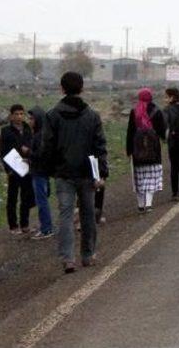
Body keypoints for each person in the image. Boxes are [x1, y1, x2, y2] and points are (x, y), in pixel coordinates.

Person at [41, 72, 108, 273]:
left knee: (66, 215)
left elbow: (47, 147)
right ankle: (88, 255)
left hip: (63, 174)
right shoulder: (92, 115)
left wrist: (49, 169)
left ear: (61, 89)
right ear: (82, 88)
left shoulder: (52, 115)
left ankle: (68, 259)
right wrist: (101, 173)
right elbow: (100, 146)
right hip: (87, 174)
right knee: (88, 214)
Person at [126, 88, 166, 214]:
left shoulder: (134, 111)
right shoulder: (156, 111)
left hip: (137, 151)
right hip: (153, 151)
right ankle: (148, 204)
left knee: (139, 178)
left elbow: (130, 132)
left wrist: (129, 149)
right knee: (151, 177)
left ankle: (140, 204)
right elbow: (162, 130)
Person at [0, 104, 34, 235]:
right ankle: (13, 226)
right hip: (13, 169)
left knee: (26, 197)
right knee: (12, 198)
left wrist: (30, 158)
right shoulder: (6, 131)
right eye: (16, 114)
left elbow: (32, 146)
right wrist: (8, 170)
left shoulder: (28, 129)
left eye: (21, 114)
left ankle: (25, 224)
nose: (19, 116)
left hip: (26, 168)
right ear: (11, 116)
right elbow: (3, 152)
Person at [27, 106, 53, 239]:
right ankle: (46, 226)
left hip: (40, 173)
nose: (30, 121)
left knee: (41, 201)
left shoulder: (40, 135)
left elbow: (41, 155)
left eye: (32, 118)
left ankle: (46, 229)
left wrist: (28, 153)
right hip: (40, 171)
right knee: (43, 200)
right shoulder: (39, 134)